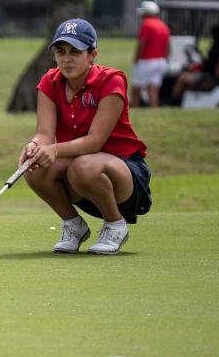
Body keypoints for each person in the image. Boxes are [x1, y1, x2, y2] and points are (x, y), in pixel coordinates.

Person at [19, 18, 152, 255]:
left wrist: (54, 150)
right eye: (61, 51)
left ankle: (115, 225)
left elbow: (95, 142)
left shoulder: (111, 80)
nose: (66, 58)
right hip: (82, 176)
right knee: (35, 165)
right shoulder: (49, 82)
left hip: (126, 174)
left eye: (75, 51)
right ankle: (73, 225)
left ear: (92, 54)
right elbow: (44, 134)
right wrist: (34, 146)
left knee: (83, 165)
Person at [130, 0, 171, 107]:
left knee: (136, 89)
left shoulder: (146, 25)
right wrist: (164, 60)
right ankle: (154, 109)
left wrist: (136, 58)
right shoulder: (164, 26)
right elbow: (168, 47)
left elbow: (142, 44)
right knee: (153, 88)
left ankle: (134, 107)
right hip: (160, 61)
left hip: (146, 61)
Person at [172, 25, 219, 101]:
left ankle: (174, 100)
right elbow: (208, 63)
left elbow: (217, 71)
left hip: (211, 78)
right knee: (187, 77)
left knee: (183, 78)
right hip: (209, 75)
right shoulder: (218, 48)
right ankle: (185, 100)